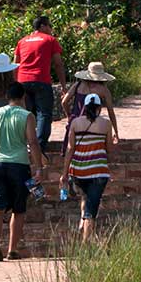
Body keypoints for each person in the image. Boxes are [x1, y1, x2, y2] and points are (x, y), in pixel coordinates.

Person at [0, 82, 46, 261]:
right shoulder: (27, 116)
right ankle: (12, 249)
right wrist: (39, 166)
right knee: (18, 209)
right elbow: (33, 142)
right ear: (23, 97)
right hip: (18, 165)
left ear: (7, 97)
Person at [60, 93, 113, 243]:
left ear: (84, 106)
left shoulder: (75, 123)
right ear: (99, 108)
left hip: (78, 171)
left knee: (85, 197)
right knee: (91, 210)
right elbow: (109, 149)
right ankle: (86, 243)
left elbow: (70, 149)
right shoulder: (105, 124)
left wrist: (64, 173)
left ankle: (83, 223)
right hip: (98, 172)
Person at [13, 15, 66, 153]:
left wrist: (14, 85)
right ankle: (40, 148)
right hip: (41, 80)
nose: (51, 29)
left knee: (25, 114)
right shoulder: (50, 40)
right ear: (42, 26)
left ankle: (24, 146)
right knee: (44, 114)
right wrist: (64, 86)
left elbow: (16, 64)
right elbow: (58, 64)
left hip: (22, 81)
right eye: (49, 26)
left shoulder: (22, 41)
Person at [61, 61, 120, 151]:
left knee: (71, 150)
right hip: (93, 124)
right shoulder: (103, 90)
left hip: (76, 122)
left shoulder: (78, 85)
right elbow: (110, 111)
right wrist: (116, 131)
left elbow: (64, 102)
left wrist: (69, 116)